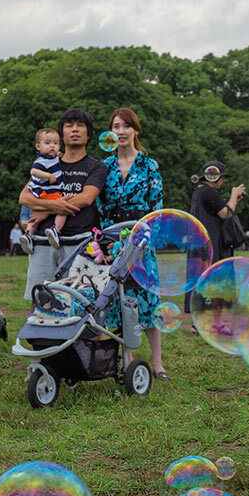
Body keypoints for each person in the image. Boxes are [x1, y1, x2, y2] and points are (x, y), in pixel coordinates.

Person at [96, 107, 170, 380]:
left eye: (127, 126)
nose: (121, 131)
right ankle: (128, 360)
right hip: (114, 237)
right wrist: (105, 238)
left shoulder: (149, 166)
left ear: (135, 130)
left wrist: (149, 237)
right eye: (116, 126)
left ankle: (158, 363)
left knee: (149, 299)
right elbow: (100, 205)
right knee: (119, 298)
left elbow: (157, 205)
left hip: (142, 236)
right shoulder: (104, 166)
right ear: (110, 132)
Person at [19, 108, 108, 300]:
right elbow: (24, 198)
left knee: (84, 304)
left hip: (79, 244)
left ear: (89, 132)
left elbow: (86, 198)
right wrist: (54, 207)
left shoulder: (97, 167)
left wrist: (45, 210)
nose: (74, 129)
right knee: (40, 302)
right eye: (69, 126)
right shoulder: (47, 163)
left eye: (80, 125)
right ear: (62, 133)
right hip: (43, 244)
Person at [184, 161, 244, 316]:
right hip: (210, 243)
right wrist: (234, 194)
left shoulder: (199, 192)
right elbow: (226, 214)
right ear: (215, 178)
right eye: (222, 178)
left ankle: (203, 324)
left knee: (204, 282)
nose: (222, 182)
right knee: (214, 281)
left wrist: (234, 201)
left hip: (200, 242)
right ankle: (212, 324)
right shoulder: (208, 192)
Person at [19, 128, 67, 254]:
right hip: (48, 192)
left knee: (35, 217)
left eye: (55, 143)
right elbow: (33, 172)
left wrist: (58, 156)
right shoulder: (41, 160)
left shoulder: (53, 158)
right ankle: (56, 229)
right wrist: (48, 176)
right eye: (47, 143)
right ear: (38, 146)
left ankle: (28, 235)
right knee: (64, 209)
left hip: (42, 194)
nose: (52, 146)